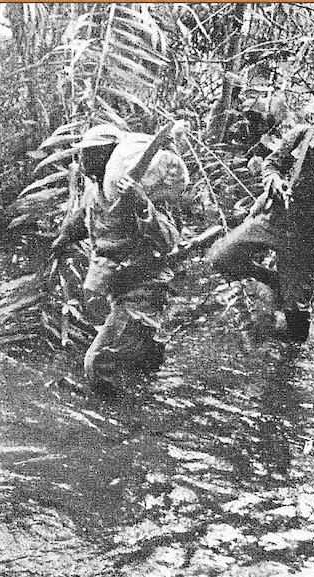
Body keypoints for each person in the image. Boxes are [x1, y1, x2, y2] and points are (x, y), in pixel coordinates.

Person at [207, 83, 314, 343]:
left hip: (310, 232)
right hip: (275, 218)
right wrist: (274, 181)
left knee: (297, 317)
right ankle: (275, 282)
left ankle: (288, 358)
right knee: (221, 256)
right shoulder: (301, 135)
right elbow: (272, 163)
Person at [51, 122, 191, 394]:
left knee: (96, 363)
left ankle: (118, 422)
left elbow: (168, 239)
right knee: (131, 360)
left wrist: (141, 205)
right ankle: (147, 360)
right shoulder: (97, 190)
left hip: (142, 294)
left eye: (89, 153)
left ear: (109, 155)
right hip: (118, 289)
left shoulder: (137, 192)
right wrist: (63, 239)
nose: (81, 160)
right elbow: (85, 220)